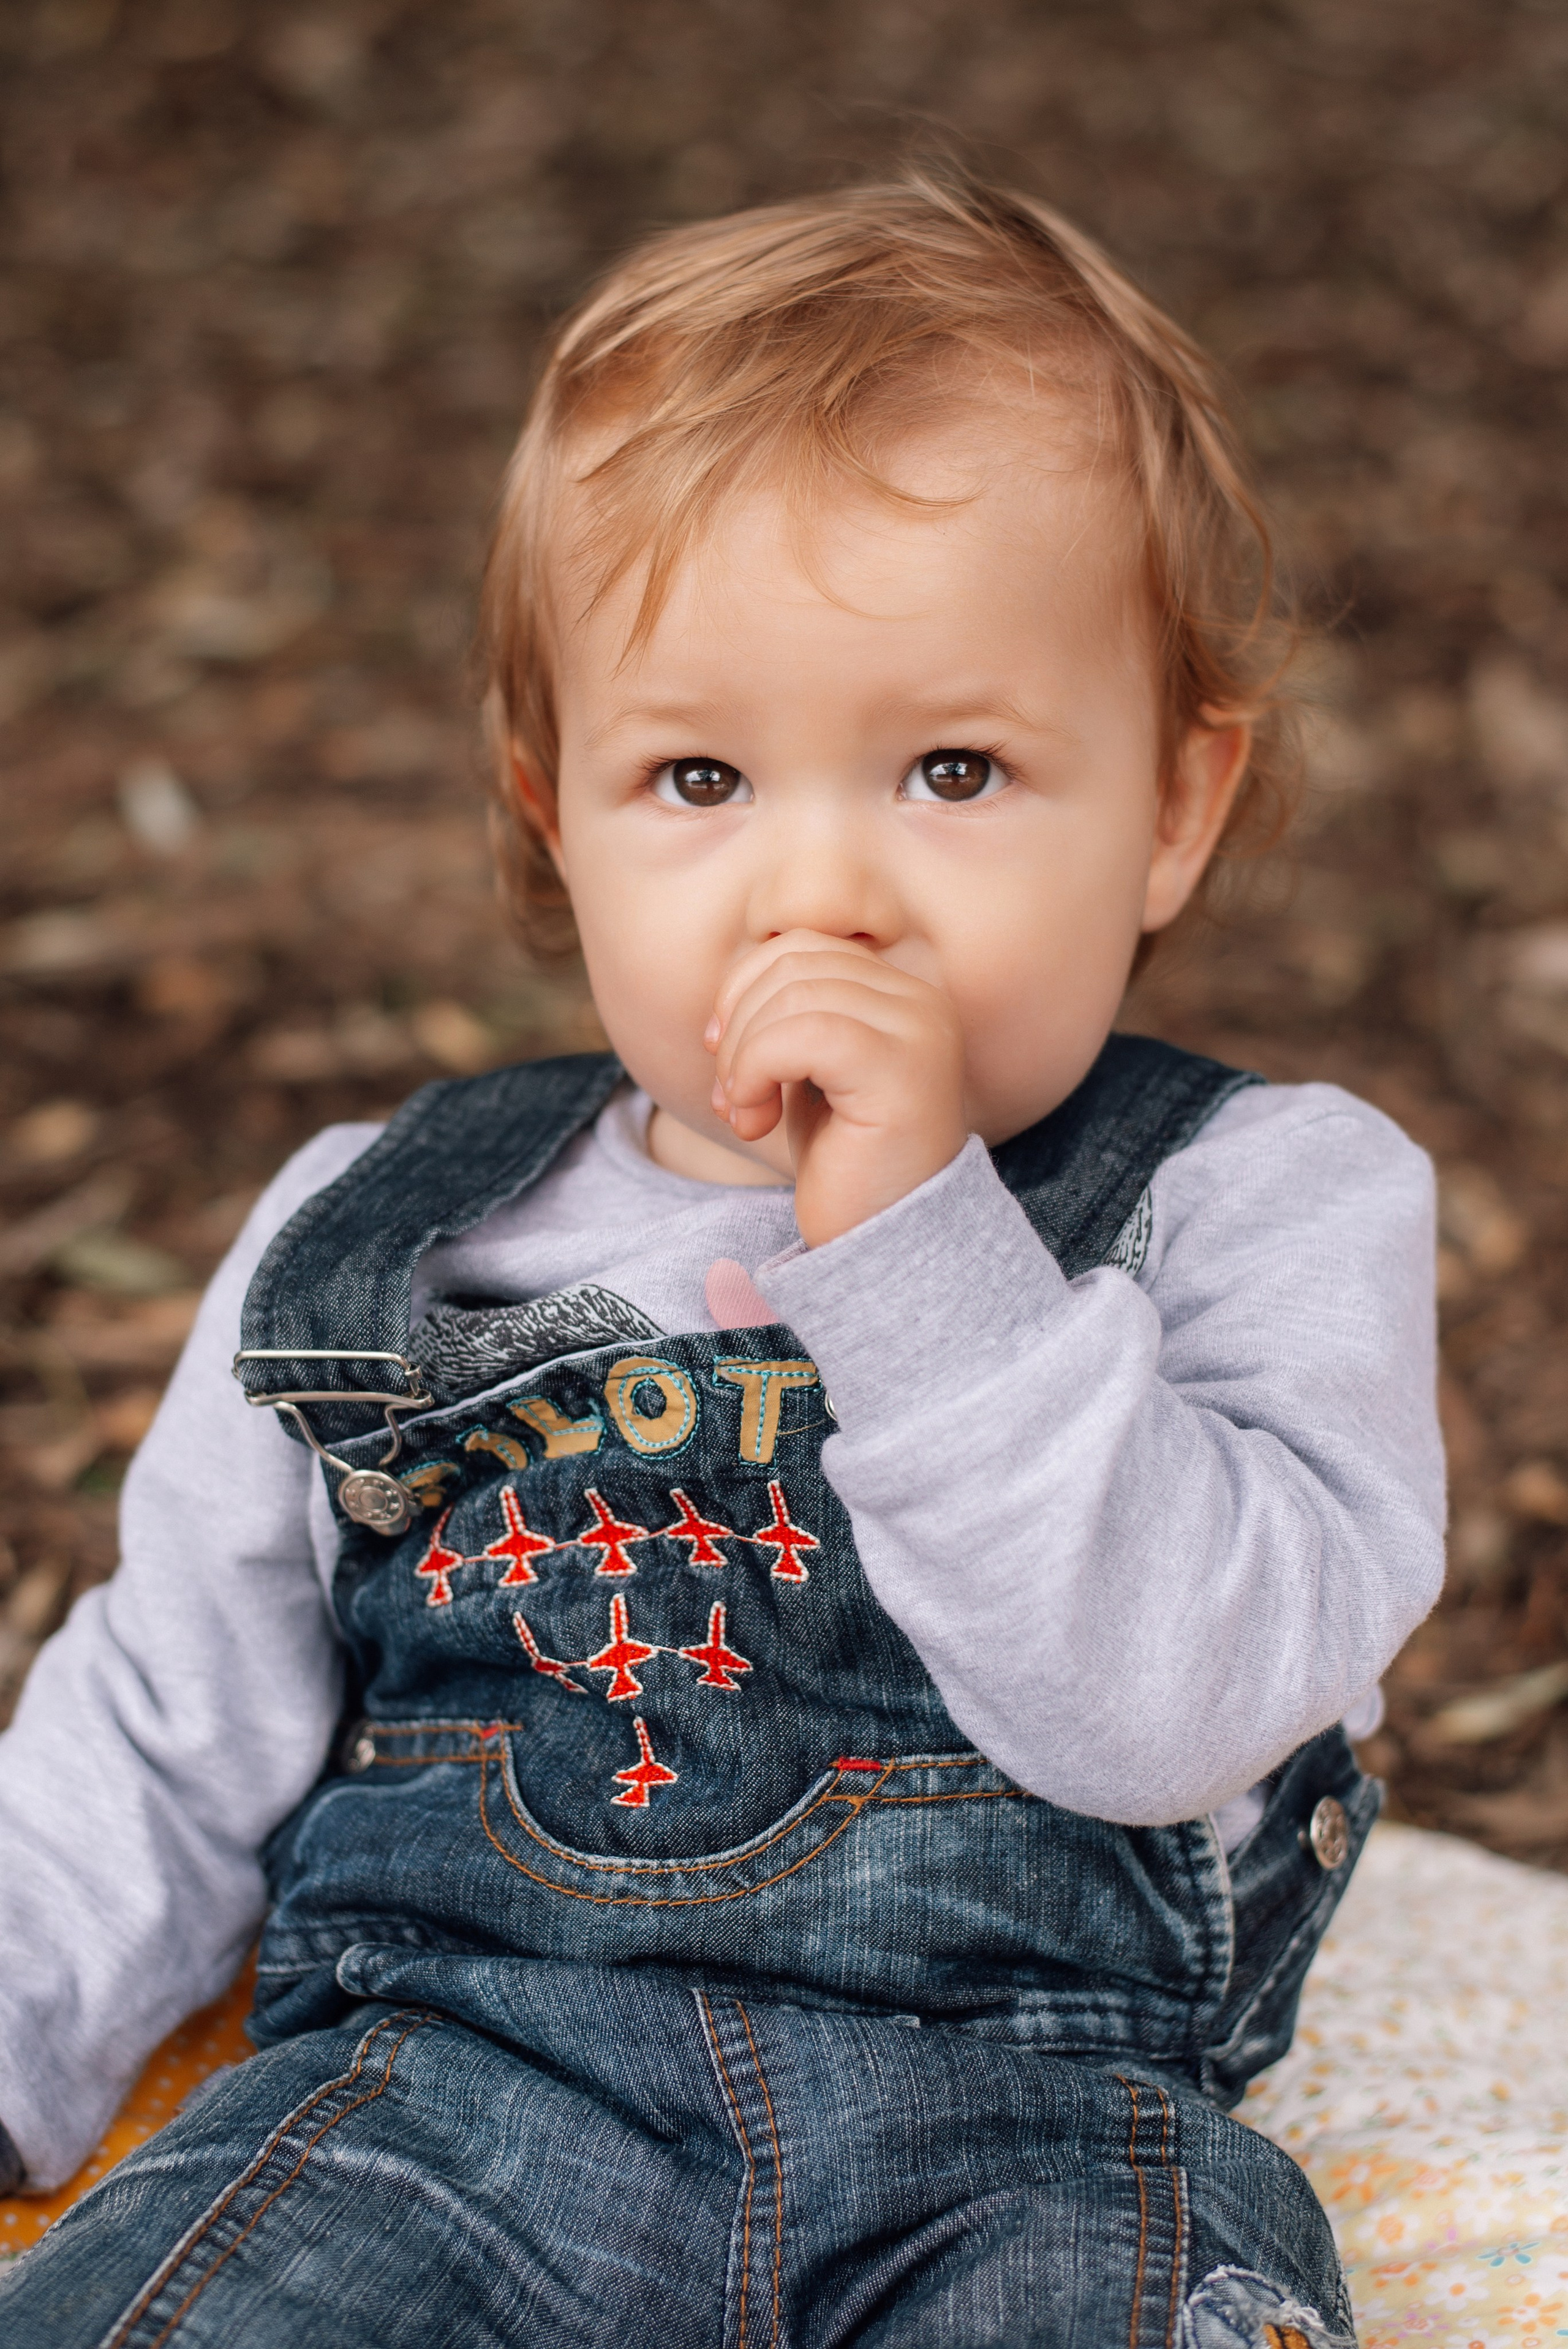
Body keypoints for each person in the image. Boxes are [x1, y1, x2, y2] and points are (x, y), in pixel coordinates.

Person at [0, 171, 1442, 2347]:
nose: (824, 892)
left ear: (1173, 805)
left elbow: (1163, 1711)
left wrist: (928, 1249)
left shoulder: (1257, 1199)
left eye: (954, 766)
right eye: (699, 774)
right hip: (451, 2095)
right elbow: (161, 1730)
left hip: (1032, 2131)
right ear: (551, 811)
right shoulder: (381, 1232)